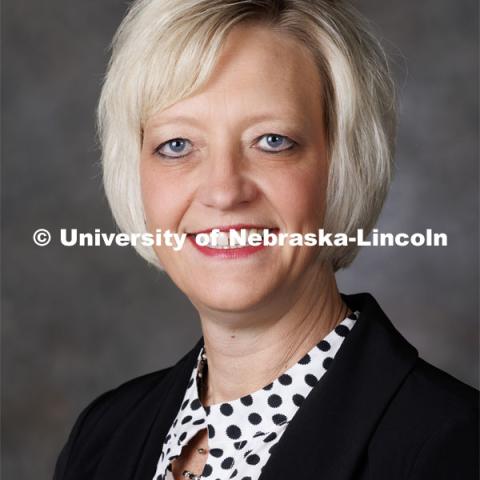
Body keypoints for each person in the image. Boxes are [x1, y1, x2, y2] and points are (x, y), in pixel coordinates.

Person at [53, 1, 479, 479]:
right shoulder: (103, 436)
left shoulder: (453, 448)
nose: (223, 190)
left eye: (272, 141)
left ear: (342, 166)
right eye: (177, 145)